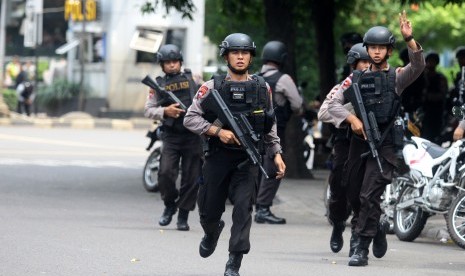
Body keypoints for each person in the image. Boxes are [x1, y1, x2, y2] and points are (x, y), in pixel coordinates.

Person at [327, 11, 425, 266]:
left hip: (386, 144)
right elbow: (333, 104)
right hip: (359, 143)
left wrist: (410, 40)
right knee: (352, 191)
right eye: (373, 47)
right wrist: (352, 120)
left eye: (382, 47)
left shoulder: (397, 77)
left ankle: (360, 245)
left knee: (369, 194)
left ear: (389, 51)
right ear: (366, 49)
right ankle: (376, 226)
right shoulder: (355, 79)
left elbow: (418, 66)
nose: (377, 51)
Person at [183, 33, 285, 276]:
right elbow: (190, 118)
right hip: (218, 157)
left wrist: (277, 153)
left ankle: (234, 262)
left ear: (251, 57)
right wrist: (217, 131)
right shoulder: (211, 87)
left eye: (245, 53)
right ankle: (211, 230)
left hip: (248, 159)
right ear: (226, 56)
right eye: (235, 53)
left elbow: (269, 124)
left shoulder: (263, 88)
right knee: (208, 209)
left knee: (243, 209)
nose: (240, 57)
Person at [318, 43, 370, 255]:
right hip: (344, 144)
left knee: (364, 192)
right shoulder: (343, 87)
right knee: (339, 187)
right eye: (364, 62)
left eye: (371, 62)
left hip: (369, 145)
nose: (368, 66)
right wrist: (348, 114)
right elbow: (323, 113)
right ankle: (338, 224)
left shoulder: (382, 85)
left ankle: (360, 235)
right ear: (354, 64)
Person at [144, 44, 202, 231]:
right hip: (172, 135)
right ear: (162, 65)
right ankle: (170, 205)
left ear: (180, 62)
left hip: (193, 135)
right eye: (167, 62)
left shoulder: (194, 78)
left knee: (191, 178)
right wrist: (165, 111)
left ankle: (183, 215)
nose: (171, 65)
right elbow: (148, 110)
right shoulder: (158, 85)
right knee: (165, 174)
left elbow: (207, 99)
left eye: (174, 61)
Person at [254, 41, 303, 224]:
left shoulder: (254, 77)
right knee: (275, 167)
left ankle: (255, 204)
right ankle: (263, 208)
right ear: (282, 58)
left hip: (253, 130)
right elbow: (297, 105)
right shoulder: (283, 79)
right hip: (275, 130)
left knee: (257, 166)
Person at [421, 52, 448, 143]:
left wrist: (428, 96)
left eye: (432, 61)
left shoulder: (440, 78)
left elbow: (442, 94)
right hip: (423, 112)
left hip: (436, 112)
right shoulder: (422, 76)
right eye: (428, 61)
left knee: (435, 138)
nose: (430, 63)